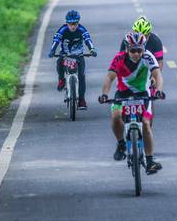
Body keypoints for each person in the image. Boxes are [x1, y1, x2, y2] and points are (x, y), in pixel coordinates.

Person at [99, 32, 165, 174]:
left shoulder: (148, 57)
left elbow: (157, 74)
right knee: (116, 117)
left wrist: (158, 90)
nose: (136, 54)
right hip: (123, 93)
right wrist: (104, 94)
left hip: (142, 94)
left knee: (146, 124)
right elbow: (110, 77)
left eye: (139, 50)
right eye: (133, 50)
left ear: (143, 49)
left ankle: (149, 161)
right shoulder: (119, 58)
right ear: (127, 48)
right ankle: (121, 144)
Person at [47, 10, 97, 109]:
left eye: (75, 24)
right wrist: (52, 51)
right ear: (67, 23)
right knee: (59, 62)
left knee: (82, 76)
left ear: (78, 22)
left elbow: (88, 40)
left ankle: (82, 100)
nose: (73, 26)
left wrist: (92, 50)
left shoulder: (82, 30)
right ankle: (61, 79)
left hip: (78, 56)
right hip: (65, 55)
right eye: (70, 24)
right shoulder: (63, 30)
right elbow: (56, 40)